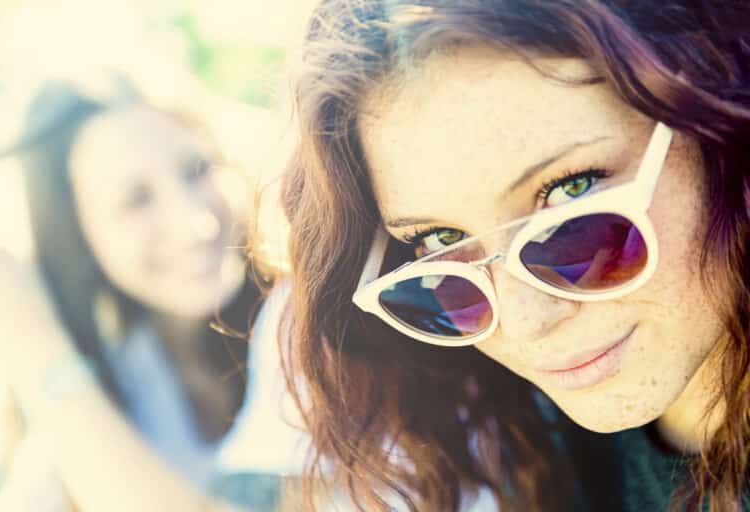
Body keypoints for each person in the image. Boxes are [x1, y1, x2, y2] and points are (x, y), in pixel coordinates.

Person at [275, 1, 750, 511]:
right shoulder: (538, 434)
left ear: (718, 130)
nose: (526, 321)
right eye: (437, 242)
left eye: (573, 193)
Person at [0, 80, 262, 511]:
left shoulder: (316, 328)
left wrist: (31, 338)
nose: (196, 225)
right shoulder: (111, 379)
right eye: (136, 201)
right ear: (78, 239)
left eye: (196, 170)